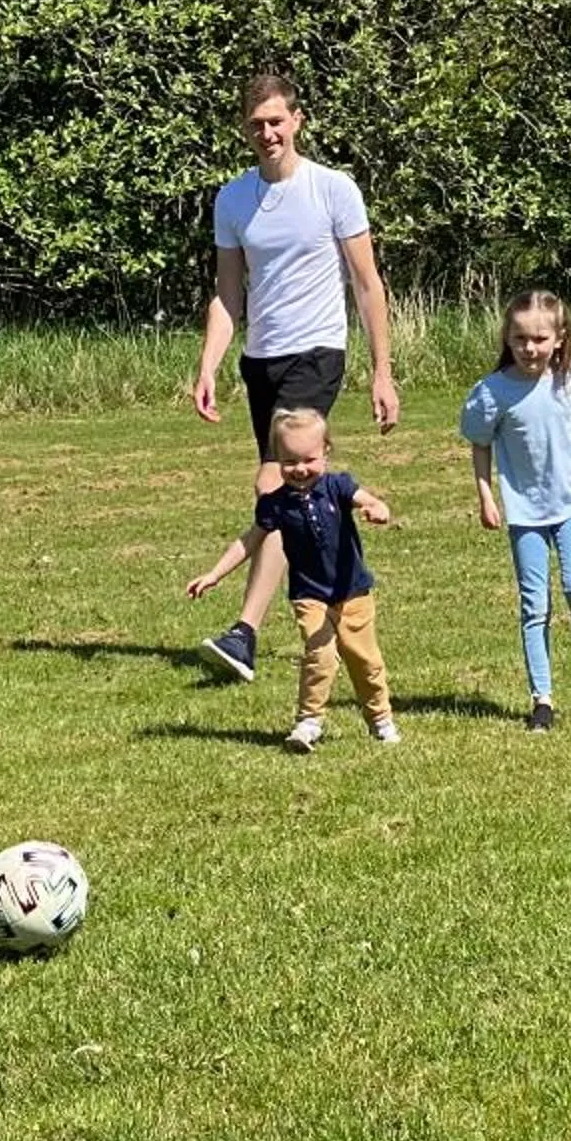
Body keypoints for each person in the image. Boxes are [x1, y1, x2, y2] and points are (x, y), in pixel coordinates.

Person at [189, 68, 400, 683]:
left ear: (297, 121)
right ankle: (328, 601)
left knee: (274, 486)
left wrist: (382, 372)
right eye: (256, 125)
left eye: (277, 121)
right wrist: (208, 365)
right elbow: (229, 296)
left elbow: (367, 284)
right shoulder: (232, 200)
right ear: (244, 130)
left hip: (317, 353)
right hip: (263, 360)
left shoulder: (333, 190)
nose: (267, 133)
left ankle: (245, 632)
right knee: (289, 494)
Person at [185, 408, 399, 753]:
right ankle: (308, 722)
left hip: (352, 592)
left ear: (326, 451)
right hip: (310, 595)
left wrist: (378, 509)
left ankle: (380, 720)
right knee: (320, 654)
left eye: (308, 459)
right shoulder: (276, 504)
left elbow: (369, 499)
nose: (299, 469)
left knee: (365, 661)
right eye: (289, 461)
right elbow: (247, 542)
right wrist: (214, 574)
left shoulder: (338, 486)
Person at [460, 288, 571, 733]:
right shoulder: (492, 393)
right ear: (507, 340)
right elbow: (480, 443)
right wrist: (486, 495)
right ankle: (542, 699)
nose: (530, 349)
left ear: (560, 338)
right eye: (520, 339)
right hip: (525, 511)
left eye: (540, 339)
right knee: (535, 605)